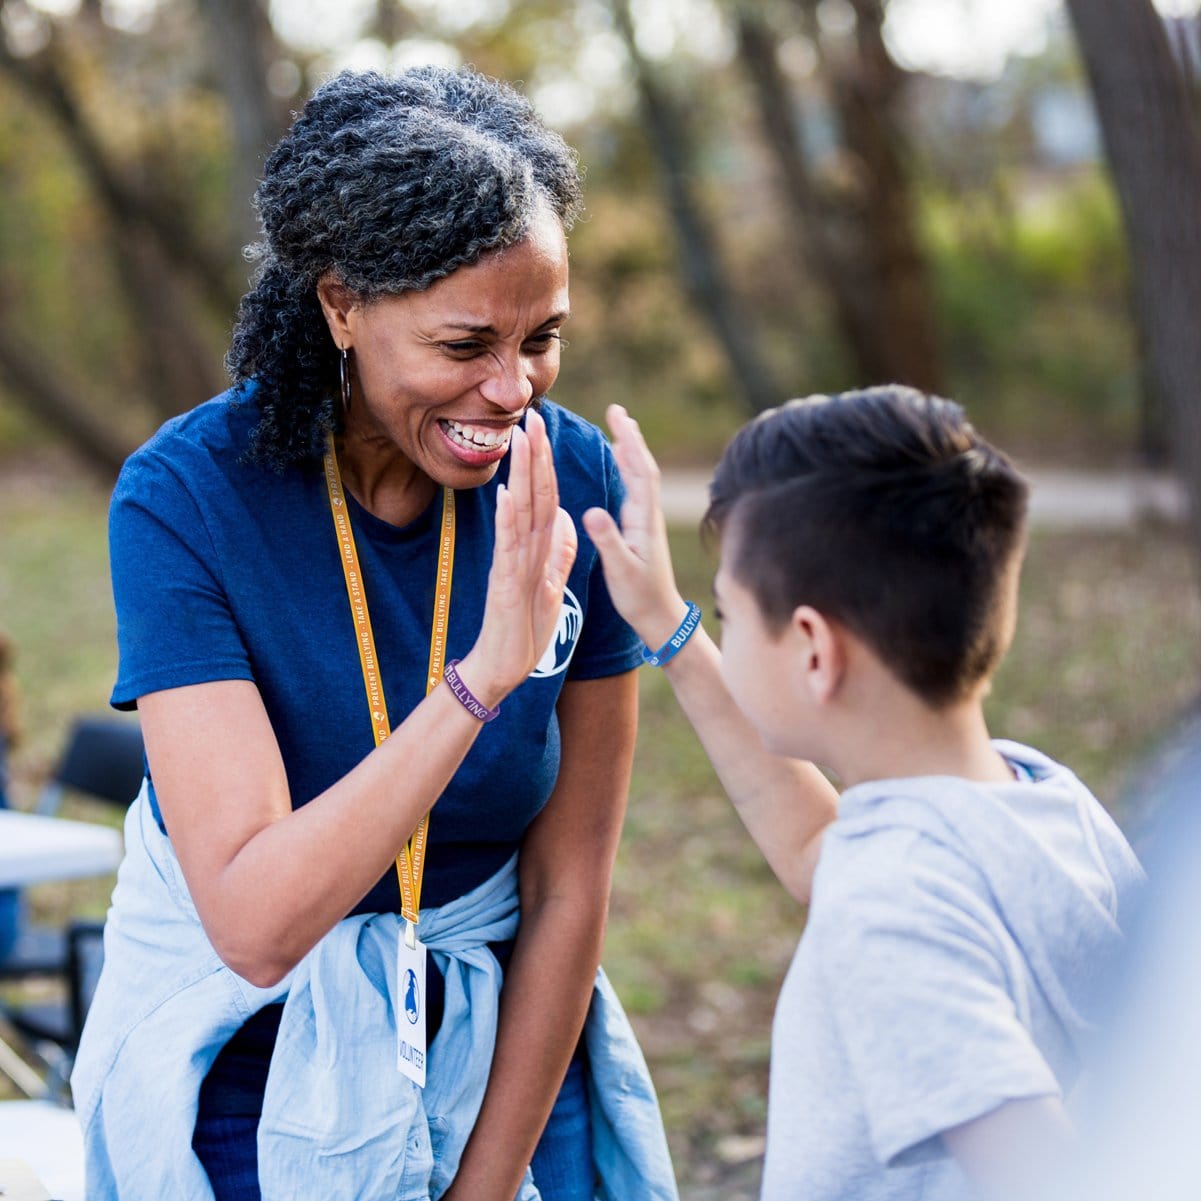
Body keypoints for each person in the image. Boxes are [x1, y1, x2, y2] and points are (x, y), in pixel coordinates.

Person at [71, 67, 677, 1201]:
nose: (511, 390)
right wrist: (483, 678)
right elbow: (255, 923)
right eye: (464, 346)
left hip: (501, 1039)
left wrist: (486, 1185)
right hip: (255, 1038)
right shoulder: (188, 500)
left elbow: (566, 889)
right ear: (341, 305)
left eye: (542, 337)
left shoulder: (568, 478)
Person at [582, 387, 1144, 1201]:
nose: (725, 634)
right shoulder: (1036, 797)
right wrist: (669, 624)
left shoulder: (889, 907)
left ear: (813, 648)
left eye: (730, 616)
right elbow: (817, 847)